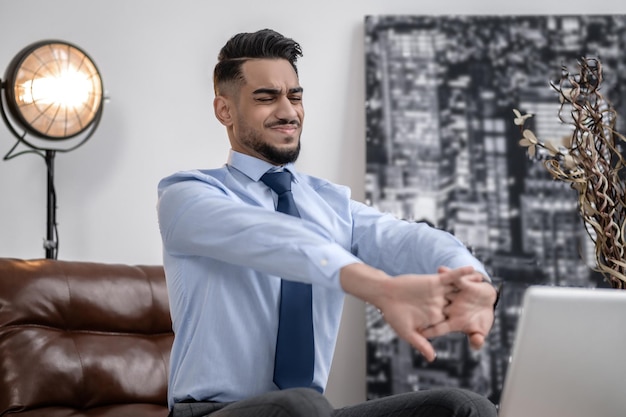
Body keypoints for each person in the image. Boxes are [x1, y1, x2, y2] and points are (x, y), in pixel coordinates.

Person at [157, 29, 499, 417]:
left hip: (310, 413)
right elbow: (273, 239)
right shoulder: (188, 196)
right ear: (225, 110)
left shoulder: (331, 203)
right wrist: (380, 288)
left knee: (463, 408)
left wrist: (474, 281)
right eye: (266, 97)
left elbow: (409, 240)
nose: (288, 111)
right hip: (209, 412)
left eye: (295, 96)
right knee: (299, 406)